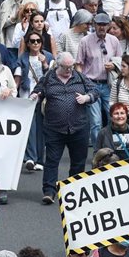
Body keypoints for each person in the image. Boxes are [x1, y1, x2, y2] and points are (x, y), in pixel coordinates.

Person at [31, 54, 95, 205]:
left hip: (79, 126)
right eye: (66, 67)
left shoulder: (80, 76)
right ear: (57, 66)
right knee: (52, 161)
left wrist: (87, 98)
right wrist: (36, 95)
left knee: (78, 162)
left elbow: (94, 90)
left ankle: (74, 190)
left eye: (71, 66)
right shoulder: (49, 78)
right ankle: (49, 191)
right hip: (54, 128)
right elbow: (38, 90)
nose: (69, 70)